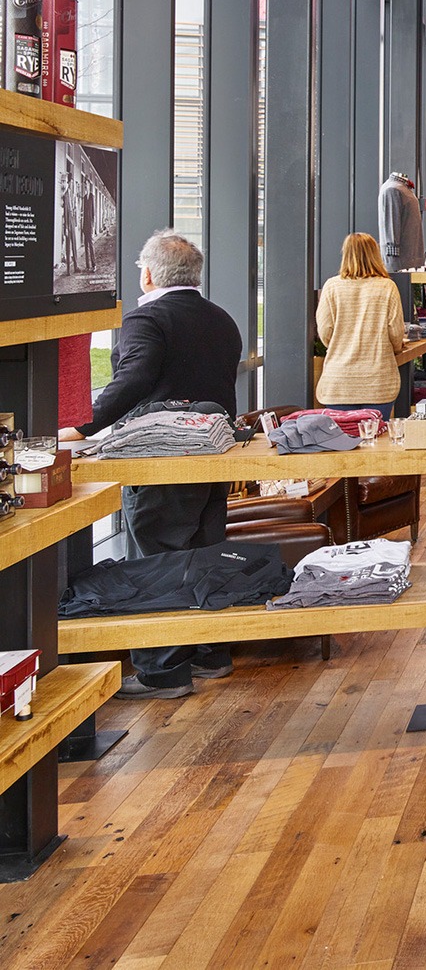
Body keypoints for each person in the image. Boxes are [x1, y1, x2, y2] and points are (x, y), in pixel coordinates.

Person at [59, 231, 242, 699]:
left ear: (148, 273)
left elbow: (134, 378)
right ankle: (211, 653)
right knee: (206, 550)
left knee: (156, 559)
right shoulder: (221, 318)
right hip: (213, 454)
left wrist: (82, 426)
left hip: (159, 458)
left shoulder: (147, 319)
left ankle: (163, 671)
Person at [315, 233, 407, 417]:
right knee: (378, 441)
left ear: (345, 254)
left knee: (340, 442)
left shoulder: (331, 287)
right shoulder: (387, 287)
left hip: (338, 383)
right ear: (375, 254)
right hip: (378, 382)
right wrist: (395, 347)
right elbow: (396, 333)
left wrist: (340, 345)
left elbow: (325, 332)